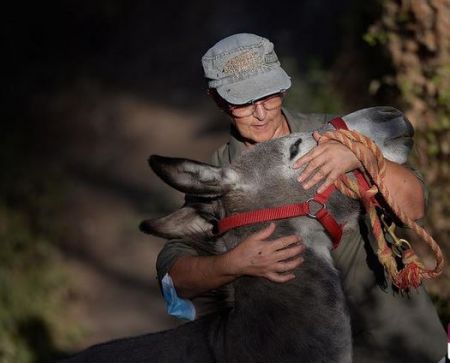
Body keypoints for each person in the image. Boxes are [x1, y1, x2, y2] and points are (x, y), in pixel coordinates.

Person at [156, 33, 446, 362]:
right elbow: (174, 279)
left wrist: (360, 157)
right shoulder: (220, 181)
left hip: (398, 340)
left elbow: (415, 206)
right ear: (217, 100)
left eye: (268, 95)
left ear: (282, 87)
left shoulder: (333, 134)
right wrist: (231, 264)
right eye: (242, 101)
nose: (261, 113)